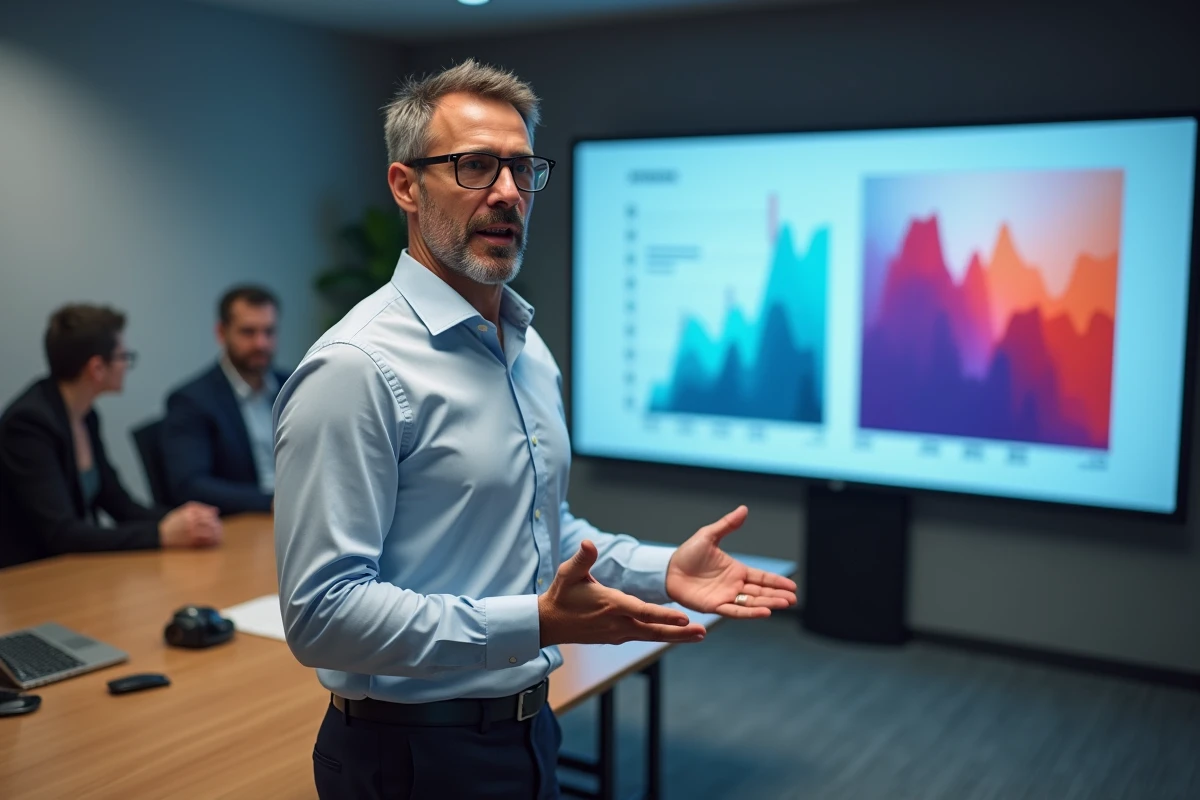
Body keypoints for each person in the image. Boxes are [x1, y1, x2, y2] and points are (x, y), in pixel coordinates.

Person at [273, 60, 797, 800]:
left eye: (521, 169)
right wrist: (535, 622)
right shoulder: (356, 369)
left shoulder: (524, 346)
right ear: (405, 186)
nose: (508, 193)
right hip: (409, 757)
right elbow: (323, 616)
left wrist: (660, 571)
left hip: (528, 729)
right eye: (475, 166)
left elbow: (543, 532)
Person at [0, 304, 222, 568]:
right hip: (29, 578)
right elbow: (62, 534)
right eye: (122, 356)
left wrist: (184, 519)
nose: (126, 365)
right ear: (97, 368)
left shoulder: (85, 415)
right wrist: (160, 534)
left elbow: (120, 505)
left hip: (71, 571)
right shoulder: (27, 425)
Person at [162, 285, 288, 515]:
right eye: (248, 332)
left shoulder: (294, 386)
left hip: (301, 519)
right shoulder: (192, 399)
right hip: (244, 525)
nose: (261, 343)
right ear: (221, 332)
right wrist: (270, 501)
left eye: (269, 332)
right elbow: (190, 485)